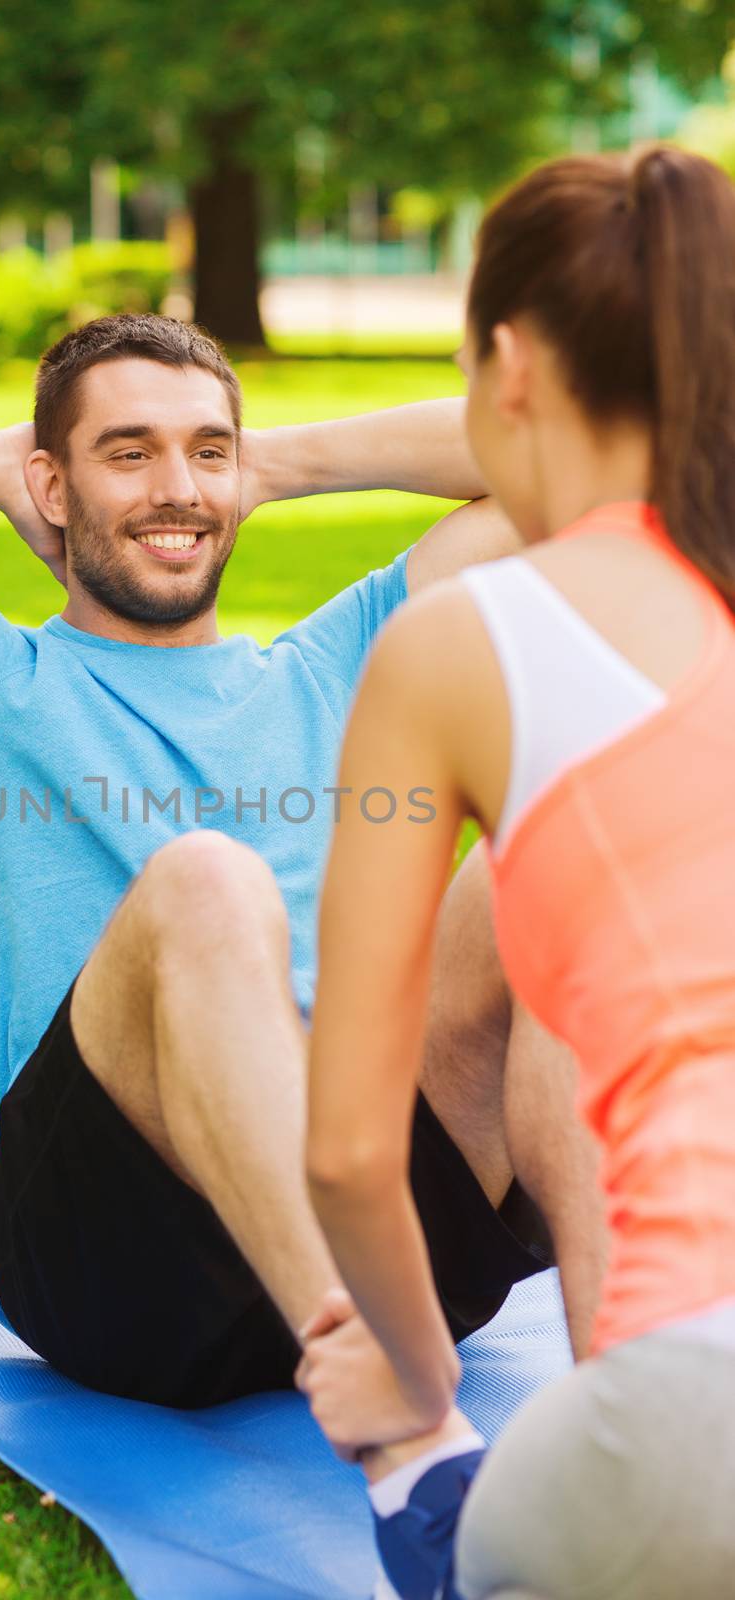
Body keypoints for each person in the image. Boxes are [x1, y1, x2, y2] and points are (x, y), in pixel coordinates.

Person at [0, 314, 590, 1418]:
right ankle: (387, 1414)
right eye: (127, 452)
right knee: (203, 880)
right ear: (52, 484)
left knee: (569, 829)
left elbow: (575, 455)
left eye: (204, 450)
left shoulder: (344, 663)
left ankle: (632, 1395)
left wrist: (270, 464)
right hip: (122, 1268)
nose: (176, 488)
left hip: (385, 1216)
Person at [300, 145, 735, 1599]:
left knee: (442, 1494)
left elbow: (350, 1152)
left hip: (693, 1412)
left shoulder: (457, 645)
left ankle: (418, 1471)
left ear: (503, 364)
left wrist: (411, 1397)